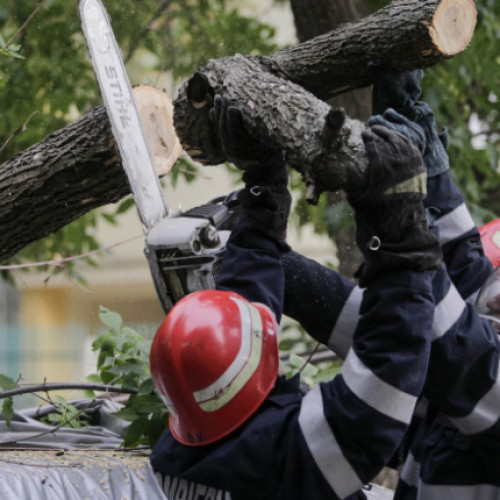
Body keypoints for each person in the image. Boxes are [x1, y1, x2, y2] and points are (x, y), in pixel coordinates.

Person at [148, 94, 442, 500]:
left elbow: (237, 322)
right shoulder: (285, 458)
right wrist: (401, 242)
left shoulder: (180, 450)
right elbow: (384, 380)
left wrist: (261, 199)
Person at [281, 68, 500, 499]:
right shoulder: (483, 319)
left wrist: (398, 223)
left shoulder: (479, 378)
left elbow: (456, 351)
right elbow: (462, 283)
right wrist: (278, 267)